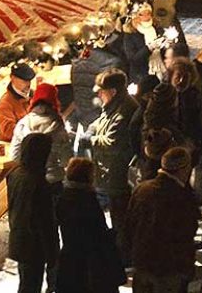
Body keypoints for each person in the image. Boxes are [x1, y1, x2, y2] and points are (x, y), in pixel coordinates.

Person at [125, 146, 202, 293]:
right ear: (183, 169)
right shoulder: (181, 197)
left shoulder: (141, 189)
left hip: (142, 265)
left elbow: (129, 226)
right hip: (169, 269)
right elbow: (186, 234)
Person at [55, 156, 124, 293]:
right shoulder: (87, 200)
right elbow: (98, 233)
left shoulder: (63, 197)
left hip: (70, 257)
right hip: (91, 262)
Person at [7, 130, 60, 293]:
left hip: (19, 237)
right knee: (31, 286)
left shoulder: (15, 174)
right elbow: (45, 223)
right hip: (34, 245)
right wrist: (53, 253)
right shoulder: (39, 183)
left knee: (26, 282)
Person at [85, 68, 139, 223]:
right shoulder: (115, 105)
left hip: (120, 174)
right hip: (113, 173)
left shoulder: (124, 111)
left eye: (102, 92)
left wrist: (91, 140)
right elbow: (102, 120)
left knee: (121, 214)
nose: (99, 95)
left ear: (113, 92)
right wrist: (92, 128)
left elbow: (112, 142)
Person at [12, 81, 73, 183]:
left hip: (28, 181)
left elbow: (15, 156)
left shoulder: (22, 124)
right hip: (53, 180)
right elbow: (66, 160)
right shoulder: (58, 127)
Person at [0, 62, 37, 143]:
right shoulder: (5, 104)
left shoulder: (34, 95)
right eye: (24, 81)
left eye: (29, 80)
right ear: (12, 78)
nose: (28, 84)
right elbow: (9, 131)